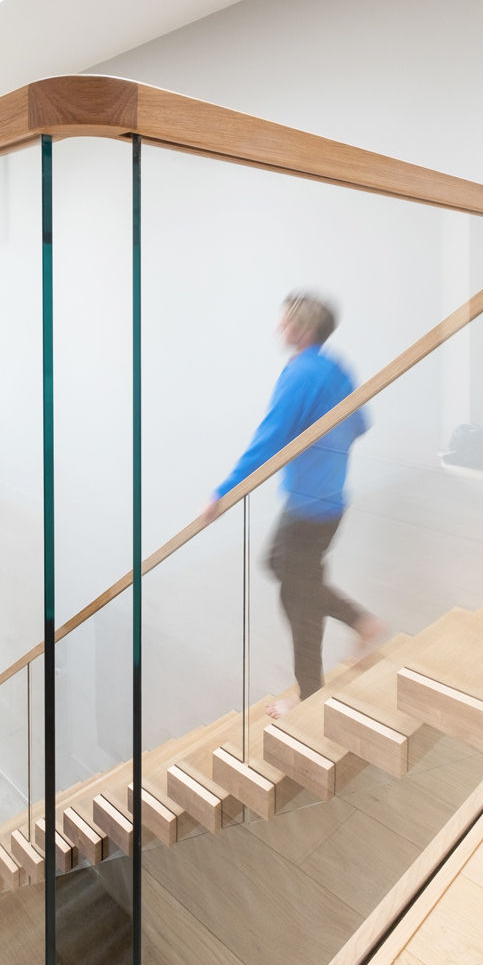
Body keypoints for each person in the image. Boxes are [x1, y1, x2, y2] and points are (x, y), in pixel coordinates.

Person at [201, 291, 382, 717]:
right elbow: (361, 423)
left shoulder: (300, 372)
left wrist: (224, 491)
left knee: (296, 597)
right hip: (328, 499)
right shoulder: (335, 366)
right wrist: (323, 441)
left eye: (283, 322)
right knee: (280, 566)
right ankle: (361, 621)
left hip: (308, 507)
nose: (278, 329)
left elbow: (271, 436)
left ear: (301, 328)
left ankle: (309, 693)